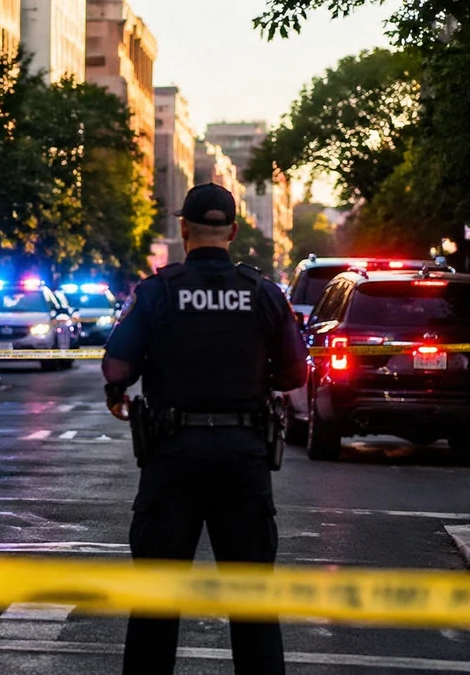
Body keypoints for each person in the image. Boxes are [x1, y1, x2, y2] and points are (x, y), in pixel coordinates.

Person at [102, 183, 308, 675]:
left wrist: (120, 392)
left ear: (183, 230)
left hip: (172, 456)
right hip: (243, 456)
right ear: (233, 231)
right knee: (253, 605)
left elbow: (116, 366)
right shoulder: (263, 292)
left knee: (156, 601)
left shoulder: (158, 291)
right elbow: (296, 373)